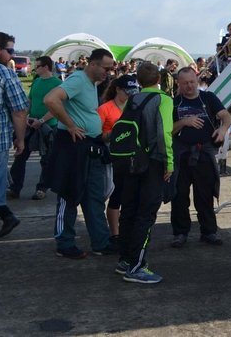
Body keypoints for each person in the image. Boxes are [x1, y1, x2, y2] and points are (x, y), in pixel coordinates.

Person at [43, 47, 116, 259]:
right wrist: (71, 125)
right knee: (69, 194)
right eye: (105, 68)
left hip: (89, 147)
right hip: (73, 147)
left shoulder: (91, 83)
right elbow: (50, 100)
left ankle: (101, 242)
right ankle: (64, 243)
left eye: (110, 69)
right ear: (92, 64)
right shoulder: (78, 80)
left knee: (93, 196)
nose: (108, 73)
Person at [115, 61, 173, 284]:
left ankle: (125, 260)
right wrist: (170, 164)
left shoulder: (133, 99)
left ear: (138, 80)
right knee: (146, 213)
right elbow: (165, 134)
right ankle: (137, 266)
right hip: (152, 162)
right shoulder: (163, 100)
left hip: (131, 161)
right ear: (158, 79)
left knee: (129, 209)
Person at [0, 32, 29, 270]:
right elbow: (20, 110)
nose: (12, 55)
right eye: (10, 50)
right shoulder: (4, 75)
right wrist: (20, 139)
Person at [170, 67, 231, 247]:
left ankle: (209, 232)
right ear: (179, 84)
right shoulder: (175, 103)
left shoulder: (208, 98)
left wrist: (222, 129)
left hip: (204, 153)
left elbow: (226, 116)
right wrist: (184, 122)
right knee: (180, 195)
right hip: (182, 153)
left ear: (197, 80)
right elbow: (169, 130)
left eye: (192, 82)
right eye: (185, 83)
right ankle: (180, 233)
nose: (189, 86)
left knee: (204, 195)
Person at [8, 56, 62, 201]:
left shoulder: (57, 83)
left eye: (37, 66)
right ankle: (14, 188)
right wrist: (25, 117)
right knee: (20, 155)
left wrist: (43, 120)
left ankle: (42, 188)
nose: (35, 69)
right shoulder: (37, 81)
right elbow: (30, 101)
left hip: (48, 127)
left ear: (46, 67)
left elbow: (58, 107)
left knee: (46, 160)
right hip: (31, 124)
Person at [98, 73, 140, 243]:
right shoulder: (105, 108)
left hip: (133, 156)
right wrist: (114, 134)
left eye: (134, 91)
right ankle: (115, 234)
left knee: (130, 195)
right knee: (116, 194)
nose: (131, 95)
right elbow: (96, 135)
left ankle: (127, 230)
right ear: (117, 89)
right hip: (113, 158)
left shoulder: (135, 106)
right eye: (128, 92)